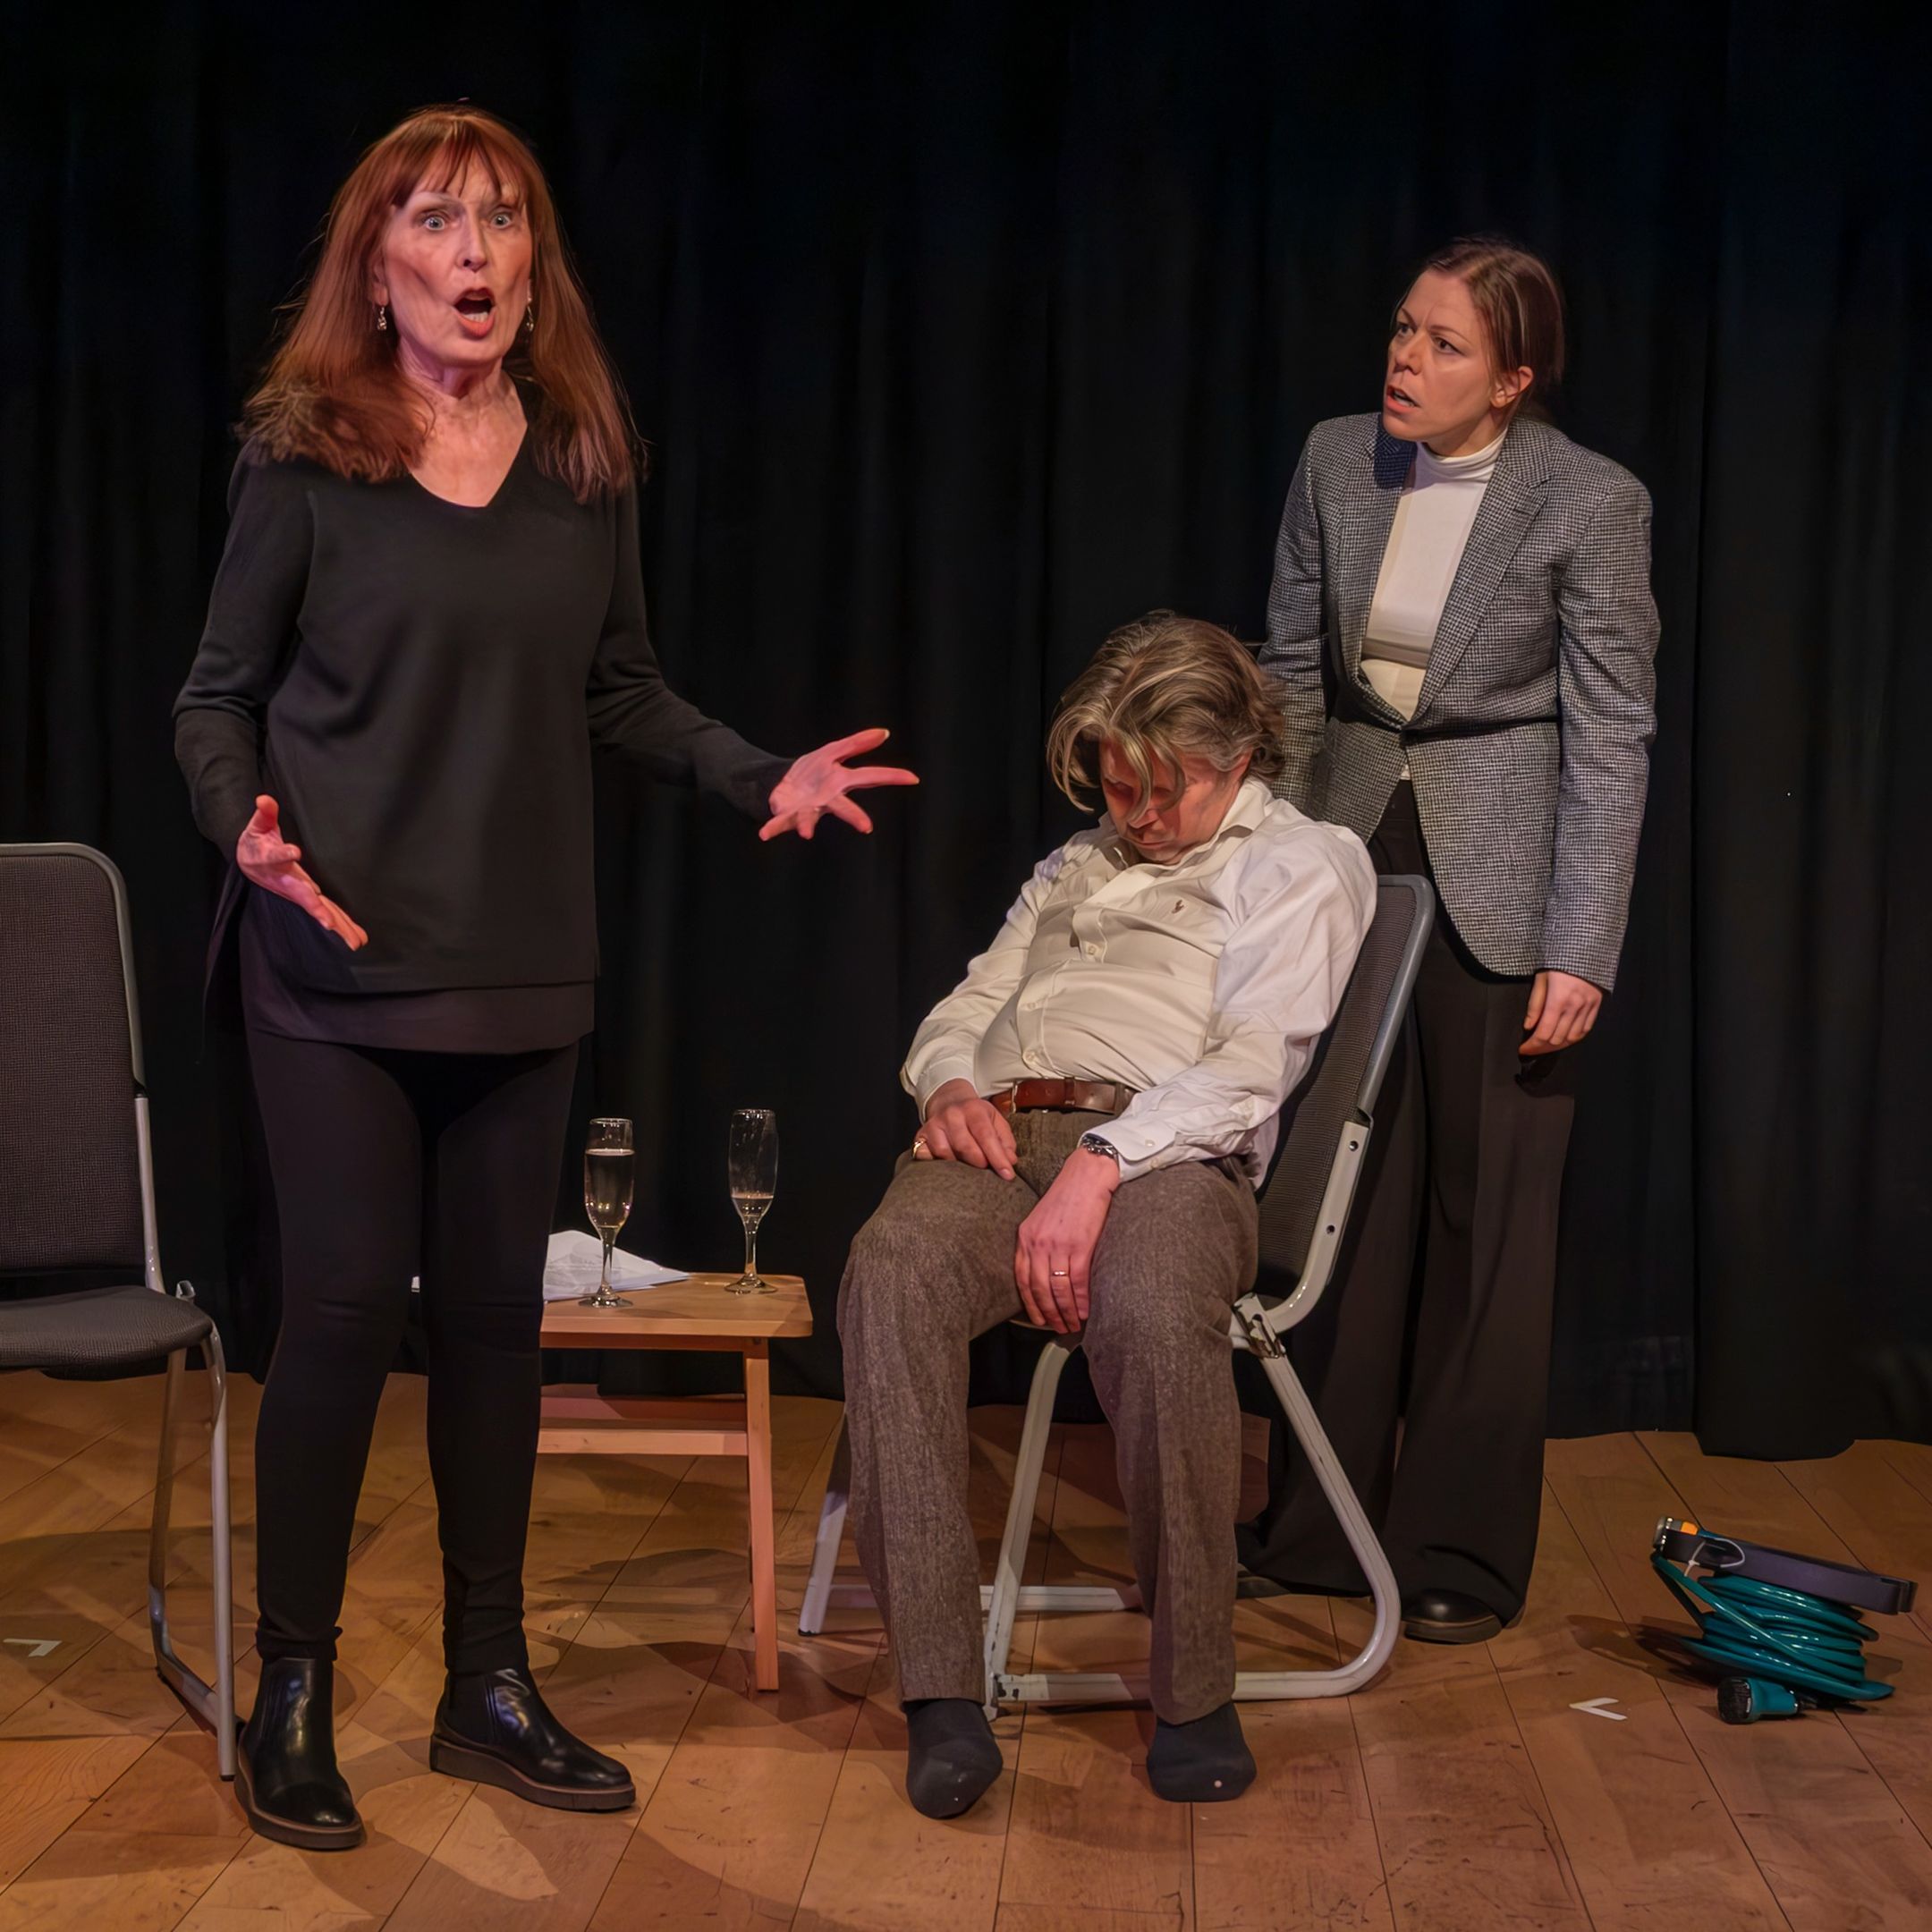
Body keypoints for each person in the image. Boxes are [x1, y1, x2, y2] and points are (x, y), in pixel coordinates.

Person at [173, 105, 917, 1852]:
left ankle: (487, 1685)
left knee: (499, 1329)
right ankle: (294, 1691)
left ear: (534, 264)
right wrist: (239, 830)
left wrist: (757, 772)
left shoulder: (581, 460)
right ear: (378, 268)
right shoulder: (305, 457)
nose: (478, 251)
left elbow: (618, 686)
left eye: (504, 221)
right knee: (343, 1312)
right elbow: (216, 695)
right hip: (333, 957)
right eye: (440, 220)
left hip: (518, 965)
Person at [837, 614, 1374, 1818]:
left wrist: (1101, 1162)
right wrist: (951, 1084)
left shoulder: (1301, 861)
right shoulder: (1076, 863)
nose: (1137, 814)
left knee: (1150, 1303)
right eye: (1117, 786)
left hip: (1169, 1154)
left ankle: (1195, 1691)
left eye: (1164, 789)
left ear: (1240, 757)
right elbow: (970, 1001)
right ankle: (939, 1693)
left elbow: (1251, 1067)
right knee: (891, 1269)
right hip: (999, 1133)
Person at [1245, 236, 1659, 1642]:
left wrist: (1582, 944)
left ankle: (1460, 1555)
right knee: (1339, 1196)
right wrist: (1272, 865)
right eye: (1402, 330)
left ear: (1514, 379)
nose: (1405, 360)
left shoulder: (1589, 500)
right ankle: (1316, 1531)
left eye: (1444, 344)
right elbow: (1291, 677)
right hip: (1355, 846)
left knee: (1489, 1230)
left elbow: (1612, 730)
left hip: (1507, 871)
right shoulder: (1336, 459)